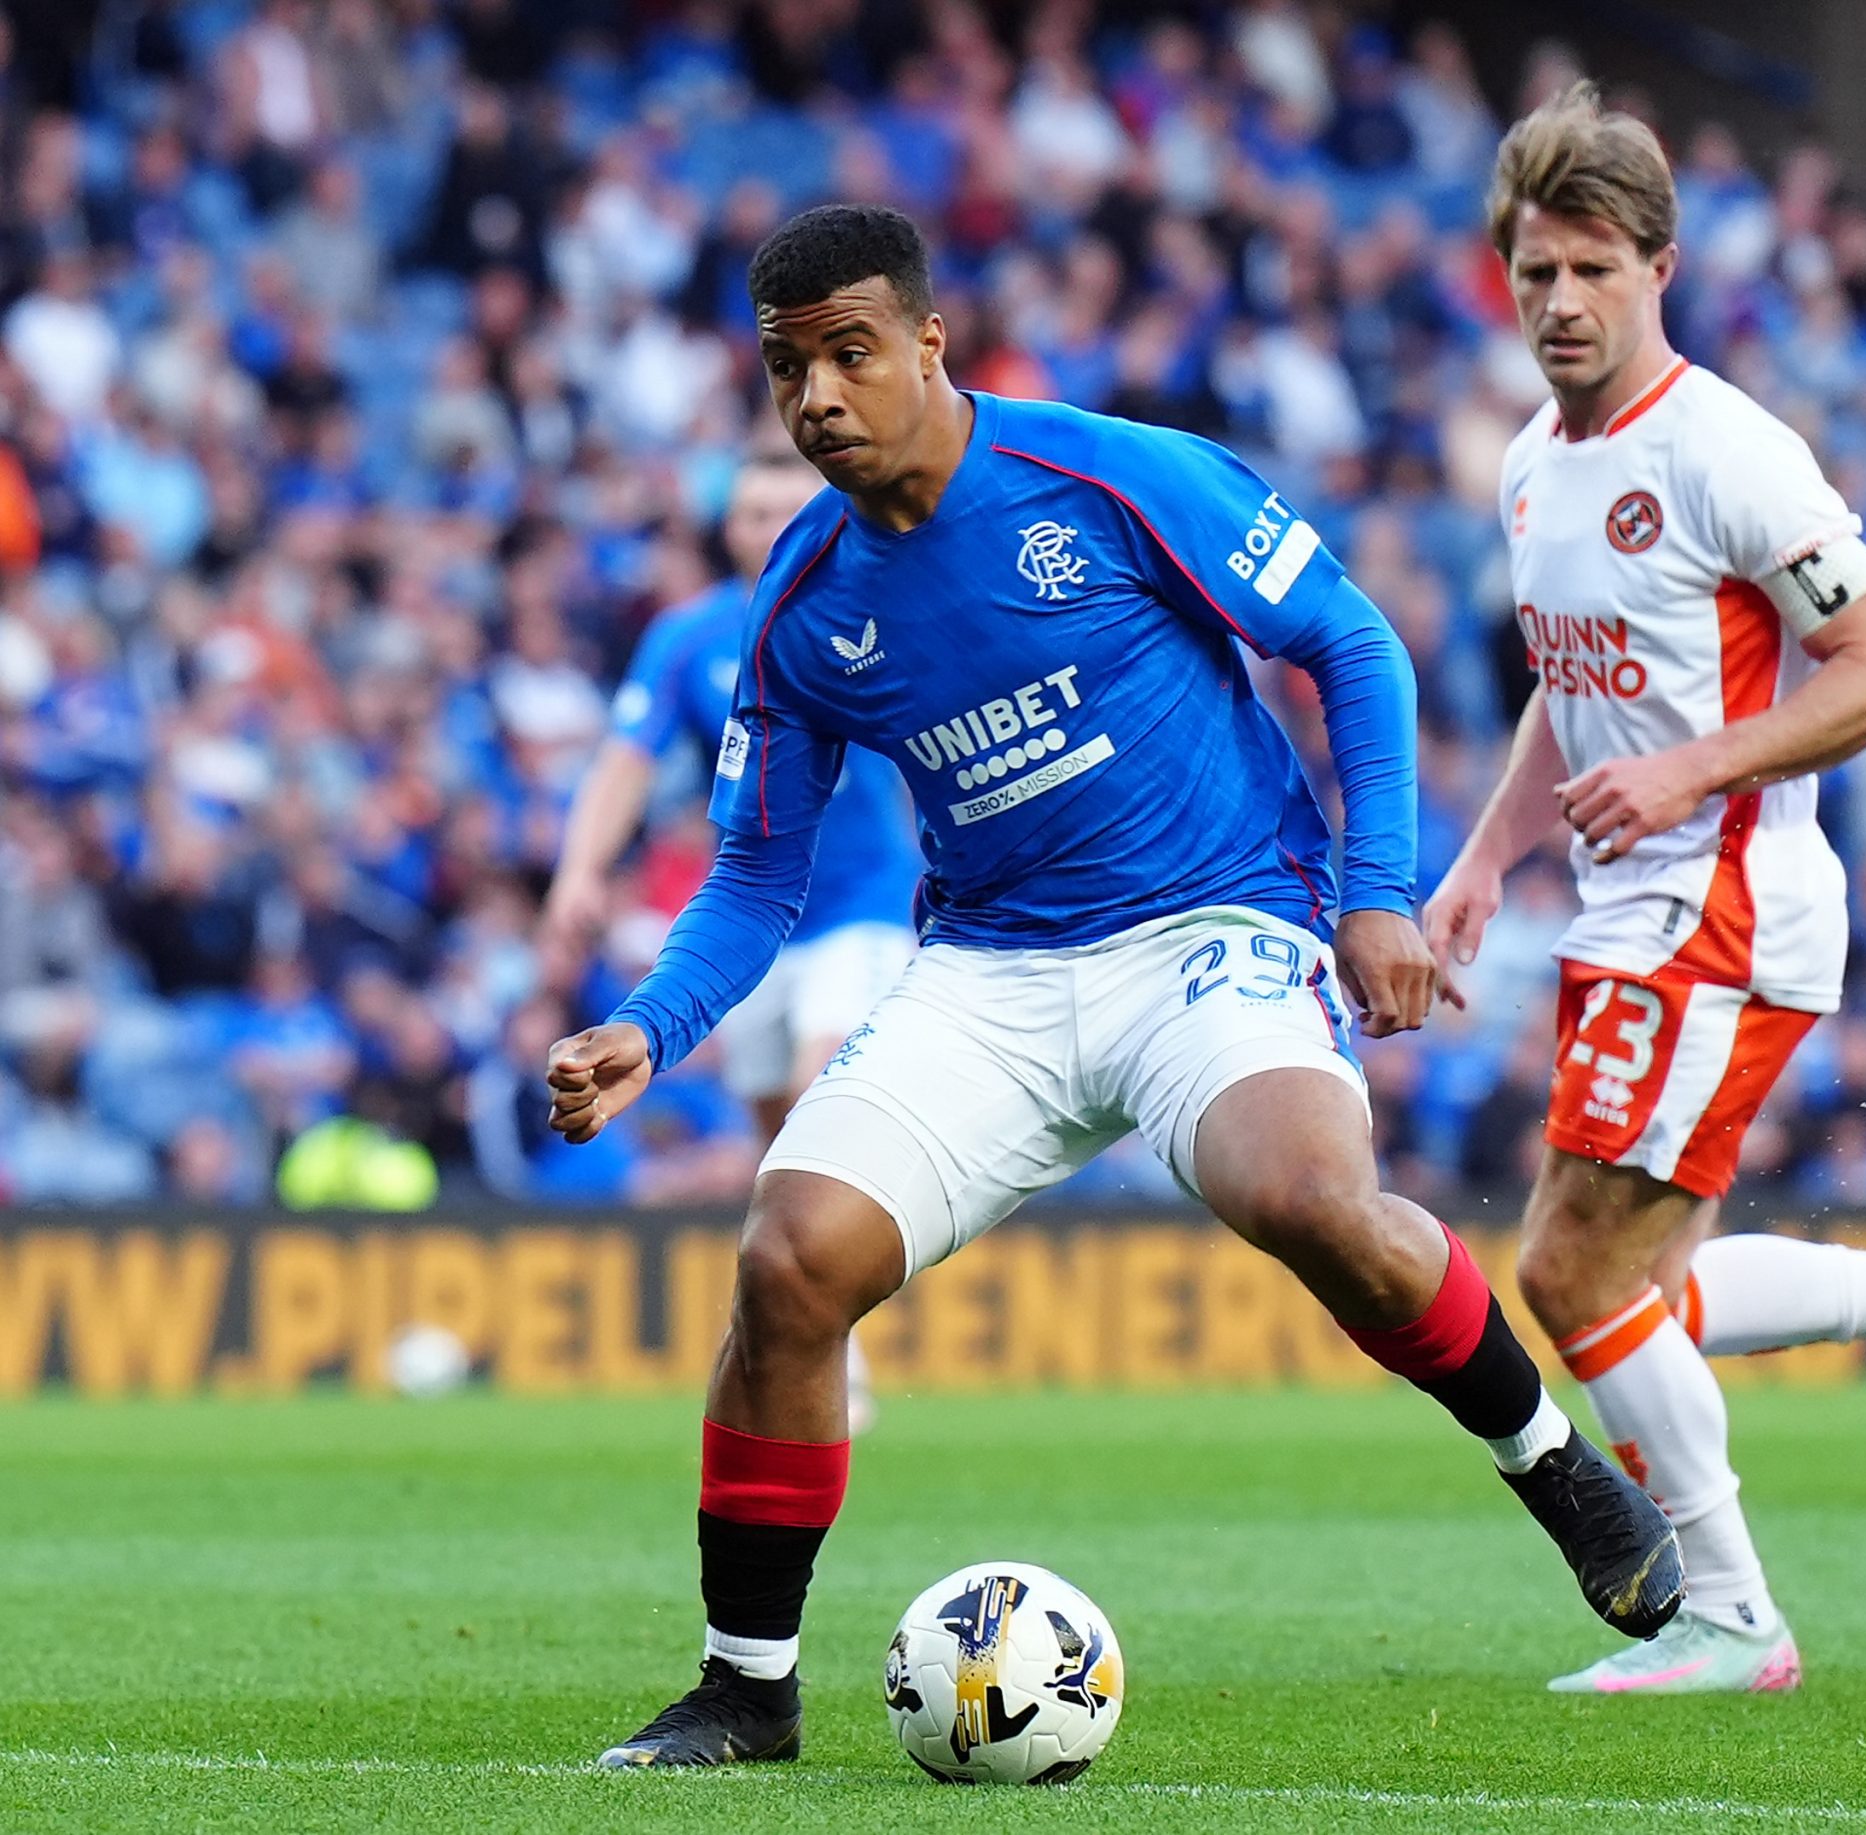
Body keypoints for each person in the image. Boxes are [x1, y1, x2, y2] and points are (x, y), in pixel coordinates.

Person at [545, 203, 1683, 1769]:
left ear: (931, 344)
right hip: (994, 973)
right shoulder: (802, 608)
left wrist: (1374, 891)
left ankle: (1554, 1462)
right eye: (785, 368)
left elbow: (1348, 641)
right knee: (790, 1257)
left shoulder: (1106, 471)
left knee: (1306, 1193)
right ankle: (747, 1686)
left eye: (849, 354)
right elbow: (755, 875)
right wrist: (645, 1031)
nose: (816, 397)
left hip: (1209, 925)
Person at [1422, 85, 1866, 1698]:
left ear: (1658, 266)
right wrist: (1482, 862)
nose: (1562, 303)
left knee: (1568, 1275)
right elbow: (1573, 688)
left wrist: (1690, 772)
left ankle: (1731, 1618)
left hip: (1723, 898)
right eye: (1536, 274)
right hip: (1634, 903)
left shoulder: (1727, 447)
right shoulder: (1534, 464)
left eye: (1593, 269)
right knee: (1641, 1291)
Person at [545, 446, 922, 1434]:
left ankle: (829, 1333)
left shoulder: (880, 606)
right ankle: (820, 1332)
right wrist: (581, 868)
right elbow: (624, 762)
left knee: (815, 1096)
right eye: (751, 512)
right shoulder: (690, 637)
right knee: (778, 1146)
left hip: (867, 905)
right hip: (757, 914)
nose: (764, 529)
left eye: (783, 510)